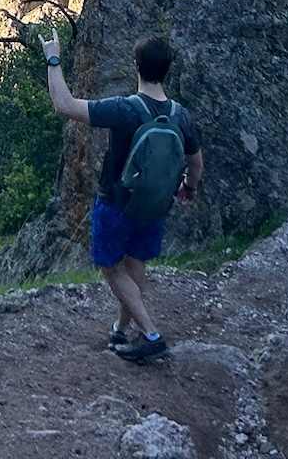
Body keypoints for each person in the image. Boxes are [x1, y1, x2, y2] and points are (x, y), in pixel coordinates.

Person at [37, 28, 203, 362]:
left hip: (116, 202)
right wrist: (189, 188)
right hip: (154, 204)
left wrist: (53, 58)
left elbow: (63, 104)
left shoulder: (125, 109)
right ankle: (120, 329)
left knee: (113, 268)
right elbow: (196, 163)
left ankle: (151, 334)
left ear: (136, 67)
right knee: (135, 262)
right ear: (166, 71)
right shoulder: (179, 115)